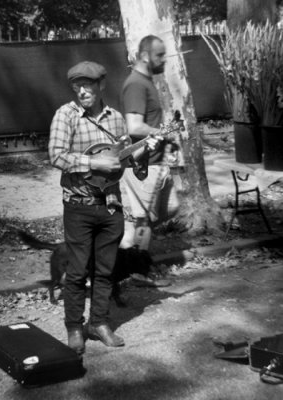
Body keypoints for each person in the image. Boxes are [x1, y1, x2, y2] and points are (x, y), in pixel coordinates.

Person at [48, 61, 129, 356]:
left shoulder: (117, 119)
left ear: (101, 85)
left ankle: (99, 323)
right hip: (79, 206)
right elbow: (56, 156)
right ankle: (74, 327)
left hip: (110, 206)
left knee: (106, 270)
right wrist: (94, 162)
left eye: (88, 85)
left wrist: (145, 151)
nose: (83, 91)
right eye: (77, 86)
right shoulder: (65, 116)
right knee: (78, 271)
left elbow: (123, 157)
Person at [120, 35, 180, 250]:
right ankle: (137, 266)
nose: (165, 59)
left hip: (157, 161)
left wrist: (168, 141)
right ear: (145, 56)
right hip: (142, 164)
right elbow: (134, 127)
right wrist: (164, 134)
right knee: (144, 219)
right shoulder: (136, 84)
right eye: (160, 55)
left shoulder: (147, 81)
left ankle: (130, 238)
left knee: (172, 207)